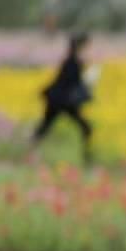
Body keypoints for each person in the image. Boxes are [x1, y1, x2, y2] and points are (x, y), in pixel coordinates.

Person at [30, 32, 97, 164]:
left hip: (57, 100)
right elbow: (68, 82)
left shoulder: (70, 61)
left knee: (44, 128)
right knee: (85, 128)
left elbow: (60, 81)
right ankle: (86, 157)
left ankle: (30, 153)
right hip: (63, 102)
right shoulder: (74, 62)